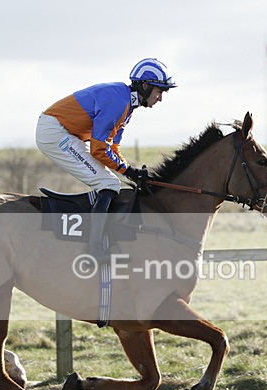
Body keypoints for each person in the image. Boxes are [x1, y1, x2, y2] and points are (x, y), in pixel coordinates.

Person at [36, 58, 176, 262]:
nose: (160, 98)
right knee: (108, 183)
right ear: (145, 86)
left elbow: (112, 148)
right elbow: (99, 149)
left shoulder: (127, 105)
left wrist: (131, 171)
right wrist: (128, 171)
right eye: (159, 91)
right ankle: (95, 249)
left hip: (65, 132)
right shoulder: (118, 101)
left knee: (110, 182)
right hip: (55, 133)